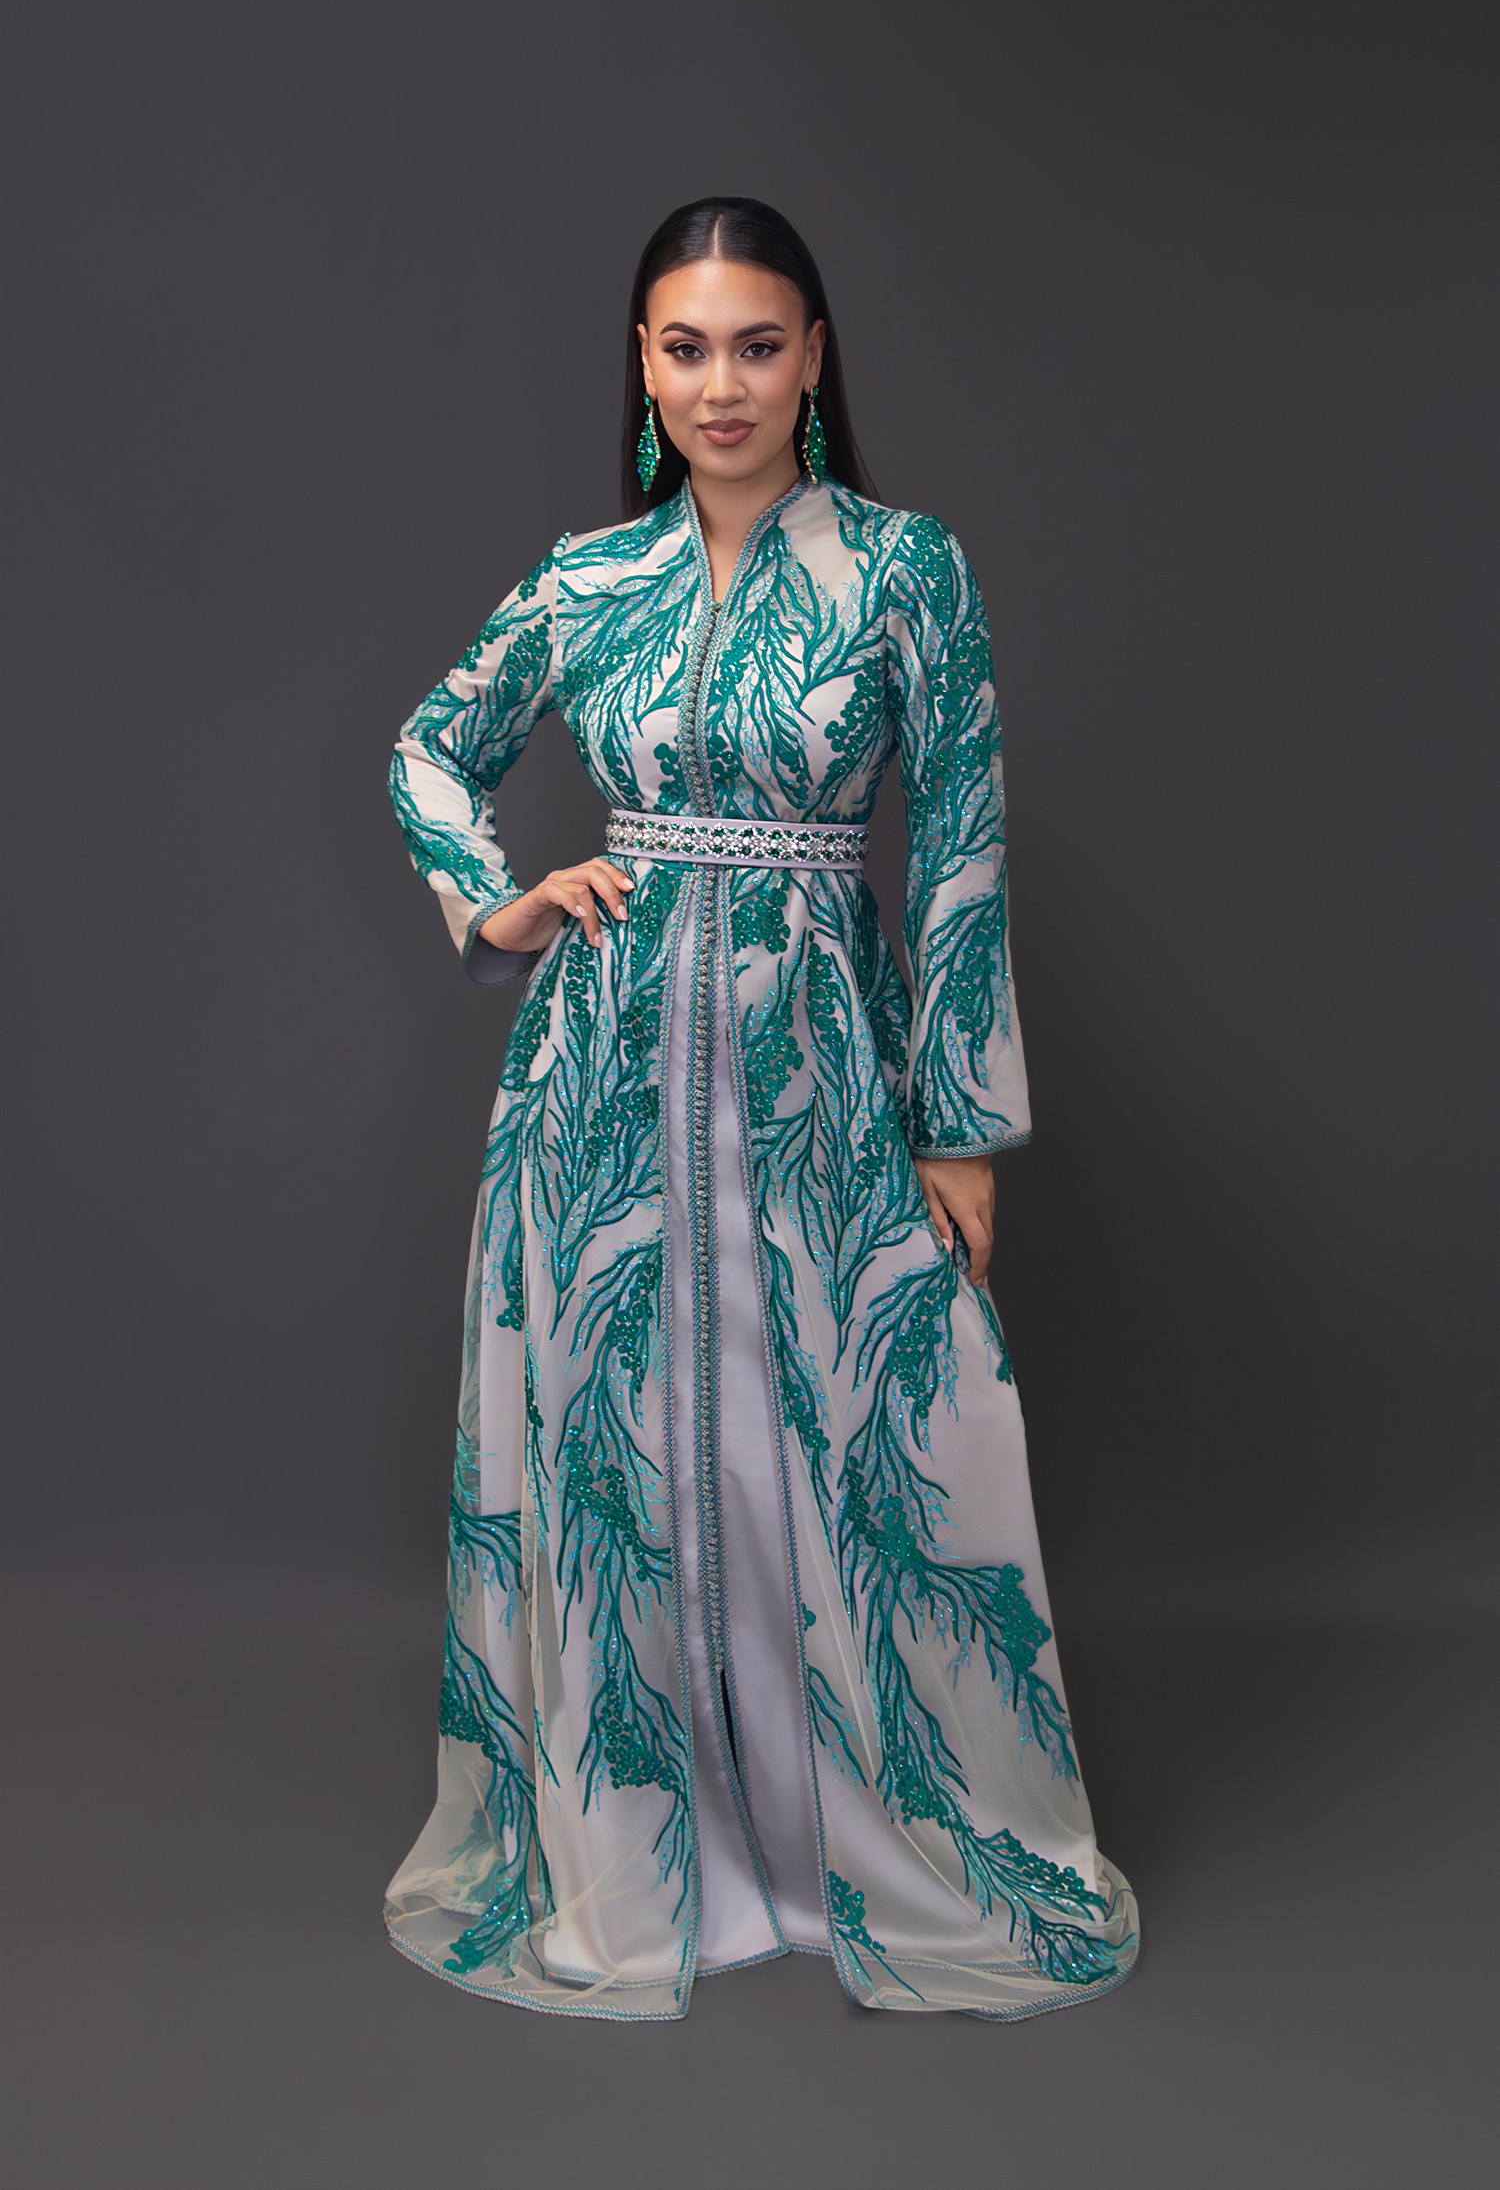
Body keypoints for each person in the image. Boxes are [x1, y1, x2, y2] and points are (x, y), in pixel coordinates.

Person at [383, 195, 1140, 2021]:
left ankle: (839, 1845)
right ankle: (657, 1853)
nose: (721, 383)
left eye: (756, 344)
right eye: (685, 347)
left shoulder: (904, 570)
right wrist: (501, 901)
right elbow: (427, 748)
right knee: (622, 1442)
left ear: (815, 359)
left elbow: (959, 839)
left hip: (821, 1068)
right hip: (599, 1084)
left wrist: (959, 1125)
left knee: (855, 1426)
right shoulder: (589, 578)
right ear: (643, 369)